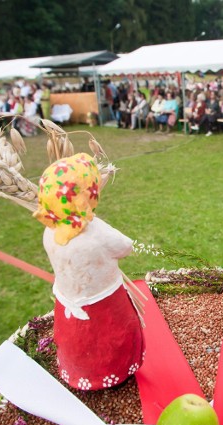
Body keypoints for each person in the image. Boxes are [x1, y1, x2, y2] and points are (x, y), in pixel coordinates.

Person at [34, 153, 144, 391]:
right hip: (105, 303)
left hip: (69, 305)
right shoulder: (95, 232)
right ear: (87, 196)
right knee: (111, 339)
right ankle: (117, 372)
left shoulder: (49, 232)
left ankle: (80, 374)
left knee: (76, 342)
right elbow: (125, 247)